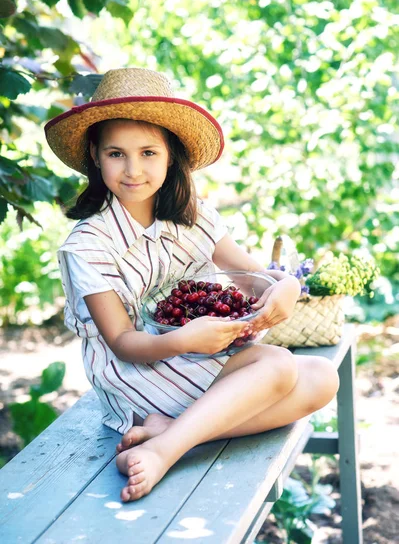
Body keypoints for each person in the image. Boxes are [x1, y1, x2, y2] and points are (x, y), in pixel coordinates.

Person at [45, 68, 339, 503]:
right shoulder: (88, 246)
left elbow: (249, 275)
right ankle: (166, 448)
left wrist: (286, 287)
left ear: (170, 155)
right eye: (116, 154)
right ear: (95, 155)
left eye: (148, 153)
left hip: (201, 353)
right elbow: (124, 343)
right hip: (137, 372)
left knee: (322, 377)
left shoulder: (193, 214)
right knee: (278, 366)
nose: (133, 170)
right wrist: (185, 340)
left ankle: (176, 431)